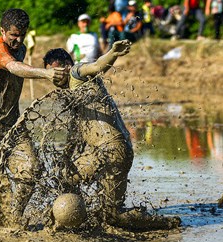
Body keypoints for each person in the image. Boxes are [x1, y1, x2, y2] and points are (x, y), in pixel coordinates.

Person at [42, 40, 181, 230]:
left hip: (114, 151)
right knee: (66, 177)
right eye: (51, 74)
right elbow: (77, 136)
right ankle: (74, 218)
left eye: (57, 70)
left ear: (67, 65)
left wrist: (113, 53)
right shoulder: (69, 94)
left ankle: (164, 223)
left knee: (113, 217)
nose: (55, 77)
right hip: (101, 152)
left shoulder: (77, 72)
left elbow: (98, 66)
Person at [0, 8, 68, 226]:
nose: (17, 40)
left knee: (33, 167)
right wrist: (45, 74)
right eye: (13, 35)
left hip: (13, 122)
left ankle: (14, 216)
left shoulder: (22, 48)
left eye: (21, 34)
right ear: (2, 31)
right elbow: (14, 67)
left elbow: (20, 64)